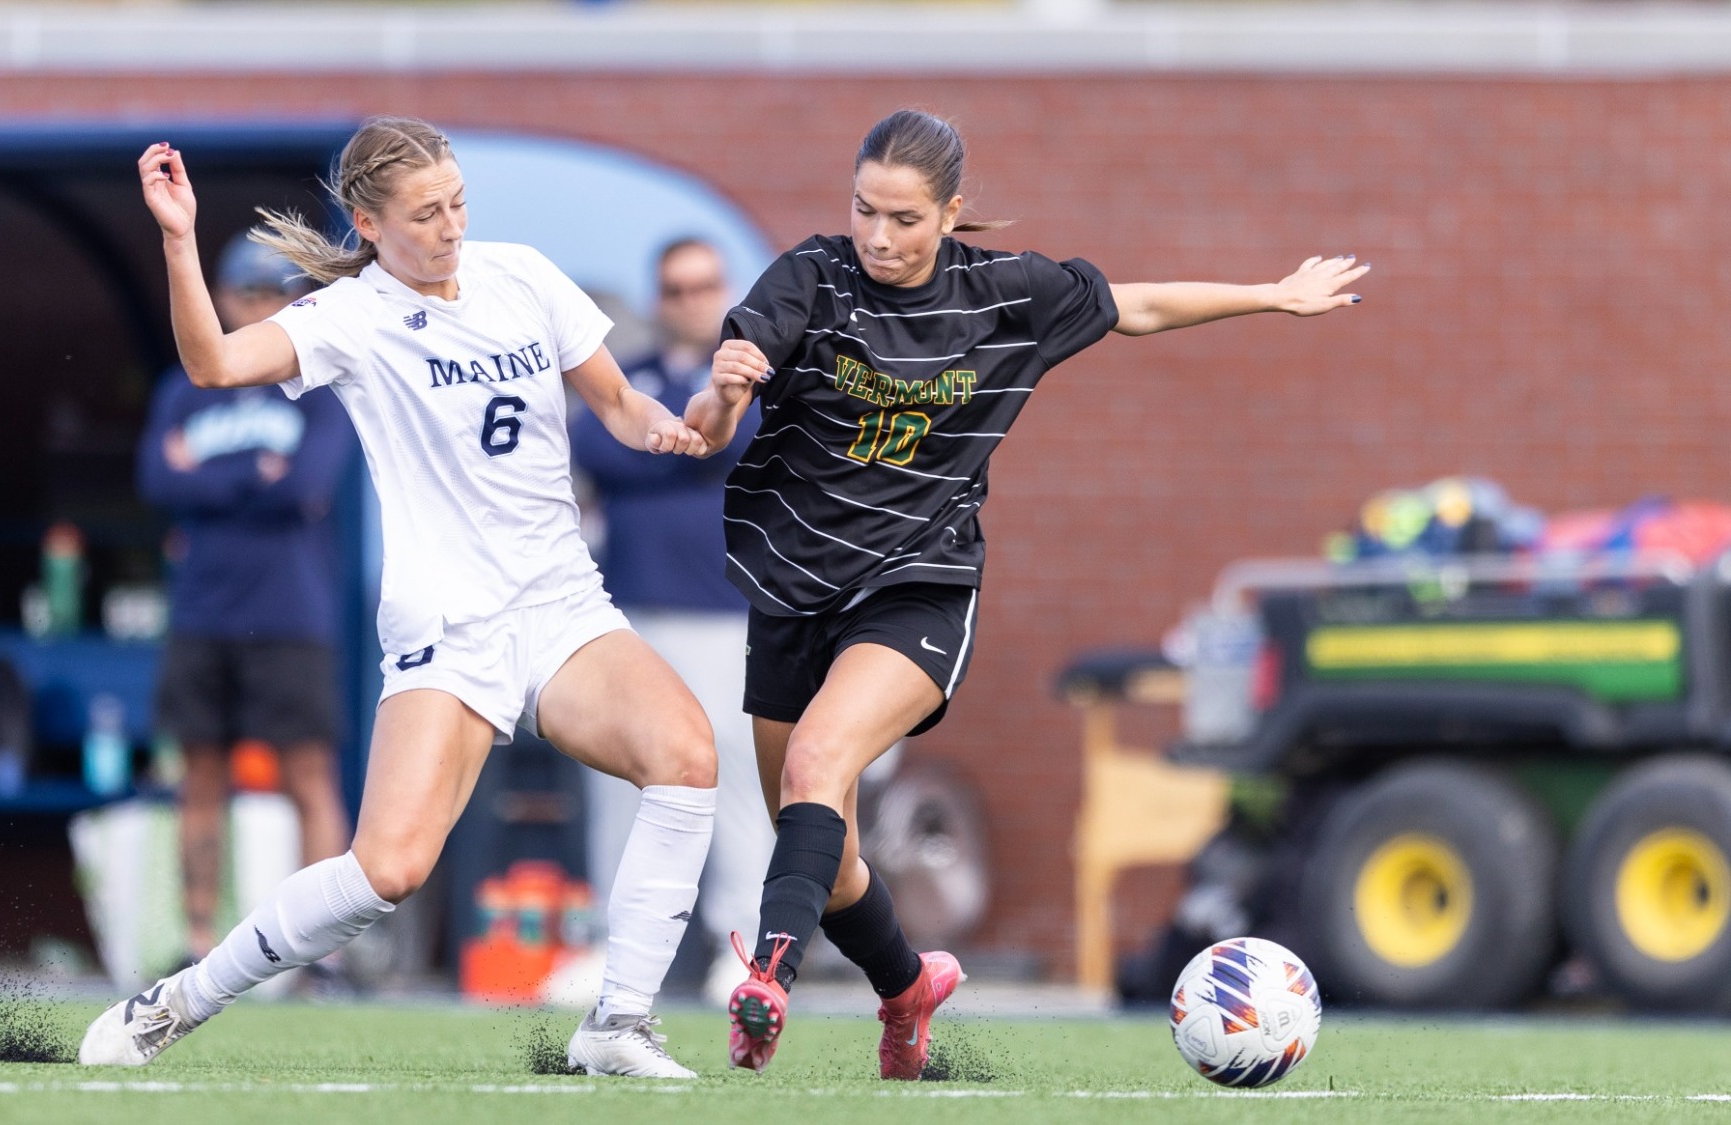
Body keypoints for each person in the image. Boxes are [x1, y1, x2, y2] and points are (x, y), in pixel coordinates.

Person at [683, 108, 1370, 1079]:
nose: (879, 237)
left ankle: (768, 981)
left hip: (916, 587)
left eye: (905, 219)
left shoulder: (1006, 297)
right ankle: (907, 989)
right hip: (794, 590)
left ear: (950, 213)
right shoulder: (811, 277)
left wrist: (1270, 295)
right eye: (865, 211)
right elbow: (722, 401)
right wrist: (721, 390)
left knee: (814, 767)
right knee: (827, 855)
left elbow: (1136, 305)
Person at [82, 116, 720, 1079]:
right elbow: (213, 365)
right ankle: (180, 998)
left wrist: (673, 428)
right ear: (367, 223)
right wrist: (178, 238)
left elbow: (620, 405)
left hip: (561, 605)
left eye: (458, 201)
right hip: (450, 630)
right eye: (427, 213)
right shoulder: (352, 317)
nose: (452, 225)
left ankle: (618, 1021)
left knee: (687, 756)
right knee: (388, 870)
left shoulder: (525, 277)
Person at [136, 232, 355, 976]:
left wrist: (207, 475)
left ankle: (316, 952)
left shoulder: (316, 386)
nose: (260, 306)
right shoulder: (184, 386)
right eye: (248, 293)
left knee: (308, 775)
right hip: (202, 609)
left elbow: (304, 488)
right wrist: (250, 477)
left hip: (291, 611)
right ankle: (196, 937)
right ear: (225, 297)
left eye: (274, 294)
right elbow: (157, 484)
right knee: (198, 775)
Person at [569, 238, 768, 1005]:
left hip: (726, 611)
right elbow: (599, 443)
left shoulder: (756, 379)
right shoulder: (635, 377)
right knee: (619, 772)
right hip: (631, 613)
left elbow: (739, 444)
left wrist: (667, 444)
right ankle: (610, 944)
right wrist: (691, 448)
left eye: (703, 285)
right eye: (676, 289)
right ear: (660, 298)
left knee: (737, 777)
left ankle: (741, 951)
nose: (691, 300)